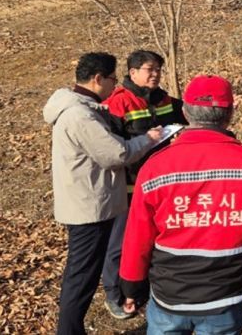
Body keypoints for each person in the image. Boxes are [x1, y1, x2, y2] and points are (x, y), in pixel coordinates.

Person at [119, 75, 242, 335]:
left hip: (170, 292)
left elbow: (138, 235)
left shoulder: (156, 166)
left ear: (186, 113)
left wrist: (132, 286)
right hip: (226, 294)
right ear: (230, 114)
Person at [43, 52, 162, 335]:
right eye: (111, 78)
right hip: (88, 208)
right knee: (81, 277)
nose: (114, 84)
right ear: (97, 78)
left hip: (87, 201)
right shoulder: (80, 115)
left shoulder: (80, 107)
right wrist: (148, 139)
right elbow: (117, 154)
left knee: (82, 274)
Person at [100, 49, 186, 319]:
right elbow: (112, 148)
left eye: (158, 69)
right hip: (128, 187)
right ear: (133, 72)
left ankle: (142, 291)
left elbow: (190, 116)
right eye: (150, 69)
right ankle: (114, 293)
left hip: (162, 186)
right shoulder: (118, 103)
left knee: (153, 241)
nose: (155, 74)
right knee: (120, 244)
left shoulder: (165, 100)